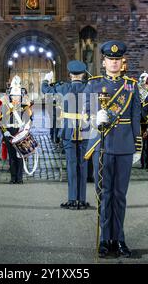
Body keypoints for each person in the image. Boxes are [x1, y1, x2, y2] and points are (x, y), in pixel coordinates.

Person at [83, 40, 141, 258]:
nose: (114, 63)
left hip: (125, 145)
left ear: (122, 61)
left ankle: (120, 239)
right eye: (111, 59)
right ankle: (105, 240)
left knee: (120, 195)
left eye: (118, 60)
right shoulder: (94, 84)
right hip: (103, 143)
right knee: (104, 194)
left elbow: (136, 116)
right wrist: (94, 119)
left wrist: (137, 146)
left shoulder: (131, 85)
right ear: (104, 61)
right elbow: (86, 113)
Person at [42, 60, 89, 210]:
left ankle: (72, 199)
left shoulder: (64, 87)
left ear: (70, 75)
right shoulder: (90, 87)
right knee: (83, 165)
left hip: (69, 130)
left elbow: (45, 90)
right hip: (85, 130)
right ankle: (81, 200)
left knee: (71, 165)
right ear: (83, 74)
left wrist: (46, 80)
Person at [0, 75, 33, 184]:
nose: (16, 98)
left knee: (20, 155)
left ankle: (20, 178)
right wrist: (5, 132)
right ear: (11, 96)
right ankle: (13, 178)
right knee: (12, 156)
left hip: (20, 132)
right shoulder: (5, 105)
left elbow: (29, 119)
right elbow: (0, 120)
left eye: (17, 96)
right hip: (9, 132)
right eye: (14, 96)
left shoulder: (24, 106)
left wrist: (26, 130)